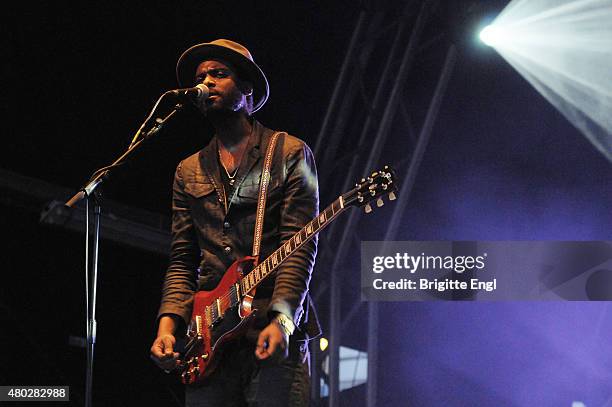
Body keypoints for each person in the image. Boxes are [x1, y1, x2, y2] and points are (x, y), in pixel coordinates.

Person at [150, 39, 320, 407]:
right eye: (201, 76)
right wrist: (168, 326)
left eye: (218, 73)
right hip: (208, 338)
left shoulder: (289, 152)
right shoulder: (188, 170)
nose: (206, 81)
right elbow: (182, 258)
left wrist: (283, 319)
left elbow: (300, 244)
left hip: (268, 330)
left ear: (247, 89)